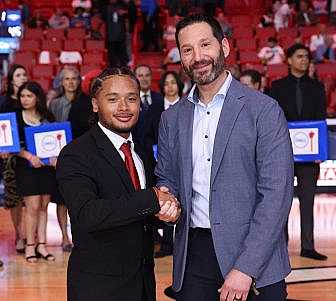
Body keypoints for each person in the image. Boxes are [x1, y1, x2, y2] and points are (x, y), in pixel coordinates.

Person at [155, 14, 294, 301]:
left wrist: (246, 267)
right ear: (180, 57)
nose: (198, 56)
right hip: (194, 258)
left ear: (225, 47)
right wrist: (167, 198)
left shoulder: (264, 110)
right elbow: (167, 177)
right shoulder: (171, 118)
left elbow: (276, 195)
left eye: (205, 44)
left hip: (257, 255)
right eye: (187, 49)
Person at [56, 67, 181, 301]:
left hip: (143, 284)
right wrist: (153, 199)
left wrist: (166, 213)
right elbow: (88, 214)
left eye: (131, 99)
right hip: (99, 289)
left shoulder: (141, 150)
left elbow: (142, 212)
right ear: (95, 104)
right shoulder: (76, 154)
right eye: (112, 99)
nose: (124, 107)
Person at [270, 43, 328, 261]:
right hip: (282, 155)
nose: (304, 60)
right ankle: (279, 246)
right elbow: (273, 121)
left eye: (306, 57)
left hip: (309, 157)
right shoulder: (277, 87)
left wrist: (319, 151)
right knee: (280, 202)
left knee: (307, 200)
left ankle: (308, 246)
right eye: (299, 56)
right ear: (289, 60)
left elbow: (320, 121)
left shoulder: (317, 87)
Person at [49, 66, 91, 252]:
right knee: (61, 199)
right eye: (67, 79)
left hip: (81, 156)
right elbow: (48, 131)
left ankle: (78, 235)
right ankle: (65, 238)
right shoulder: (55, 104)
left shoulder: (87, 102)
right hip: (58, 156)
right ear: (62, 82)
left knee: (80, 197)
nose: (71, 82)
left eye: (74, 78)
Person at [15, 81, 56, 263]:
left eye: (29, 96)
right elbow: (13, 145)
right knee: (32, 207)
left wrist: (55, 157)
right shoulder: (16, 117)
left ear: (37, 97)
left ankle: (42, 244)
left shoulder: (47, 116)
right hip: (26, 168)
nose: (25, 99)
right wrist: (29, 156)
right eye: (22, 96)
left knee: (44, 206)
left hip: (46, 169)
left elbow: (56, 140)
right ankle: (30, 245)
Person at [144, 71, 184, 258]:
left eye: (173, 83)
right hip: (161, 165)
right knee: (167, 201)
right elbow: (148, 136)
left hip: (186, 164)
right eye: (166, 83)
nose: (170, 87)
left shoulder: (189, 106)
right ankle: (167, 245)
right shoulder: (154, 109)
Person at [0, 64, 28, 255]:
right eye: (18, 75)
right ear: (11, 80)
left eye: (25, 74)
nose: (23, 77)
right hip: (9, 156)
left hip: (29, 154)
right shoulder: (3, 102)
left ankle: (29, 235)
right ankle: (19, 235)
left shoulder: (31, 98)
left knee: (29, 198)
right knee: (14, 197)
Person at [133, 65, 163, 145]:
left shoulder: (161, 99)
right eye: (140, 76)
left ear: (151, 77)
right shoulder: (130, 100)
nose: (144, 79)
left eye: (147, 75)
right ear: (134, 79)